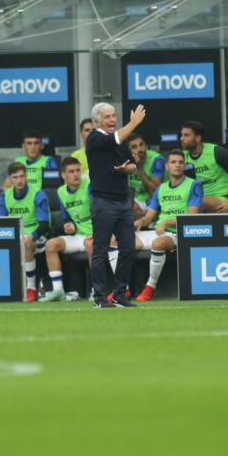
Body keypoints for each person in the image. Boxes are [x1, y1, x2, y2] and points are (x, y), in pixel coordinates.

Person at [86, 101, 145, 308]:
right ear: (97, 121)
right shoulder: (94, 137)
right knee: (100, 251)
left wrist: (127, 169)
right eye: (107, 117)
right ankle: (100, 298)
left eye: (113, 116)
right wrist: (134, 123)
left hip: (123, 202)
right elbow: (116, 138)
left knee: (128, 249)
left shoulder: (120, 139)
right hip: (104, 202)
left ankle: (119, 295)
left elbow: (133, 166)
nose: (112, 119)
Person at [133, 150, 203, 302]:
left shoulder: (194, 185)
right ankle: (122, 289)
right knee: (118, 241)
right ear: (166, 166)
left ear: (184, 166)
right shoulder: (161, 188)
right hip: (159, 230)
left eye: (181, 162)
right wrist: (140, 222)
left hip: (179, 233)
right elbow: (149, 217)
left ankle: (150, 287)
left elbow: (192, 217)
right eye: (173, 162)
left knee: (158, 243)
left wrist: (166, 222)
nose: (177, 165)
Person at [39, 157, 94, 302]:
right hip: (79, 236)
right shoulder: (61, 192)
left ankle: (97, 289)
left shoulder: (89, 186)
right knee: (50, 245)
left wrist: (97, 232)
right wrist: (68, 225)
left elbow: (102, 211)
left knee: (91, 245)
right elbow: (67, 217)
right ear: (63, 175)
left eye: (78, 171)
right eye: (71, 171)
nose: (76, 174)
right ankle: (58, 290)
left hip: (95, 234)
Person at [0, 162, 51, 303]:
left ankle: (31, 288)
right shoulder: (4, 196)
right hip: (16, 235)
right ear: (10, 179)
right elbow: (1, 223)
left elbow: (45, 225)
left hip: (37, 236)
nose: (19, 180)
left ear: (26, 176)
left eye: (22, 176)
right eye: (15, 177)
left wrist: (32, 235)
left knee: (27, 243)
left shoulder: (38, 194)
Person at [179, 120, 228, 214]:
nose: (181, 139)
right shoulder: (182, 156)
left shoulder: (216, 152)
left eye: (186, 135)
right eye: (181, 135)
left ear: (198, 138)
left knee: (196, 201)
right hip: (196, 200)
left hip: (221, 200)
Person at [126, 133, 165, 218]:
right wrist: (132, 202)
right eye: (134, 147)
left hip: (152, 200)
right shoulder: (124, 161)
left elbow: (154, 193)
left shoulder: (157, 160)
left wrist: (139, 167)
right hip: (135, 198)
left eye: (141, 144)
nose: (140, 149)